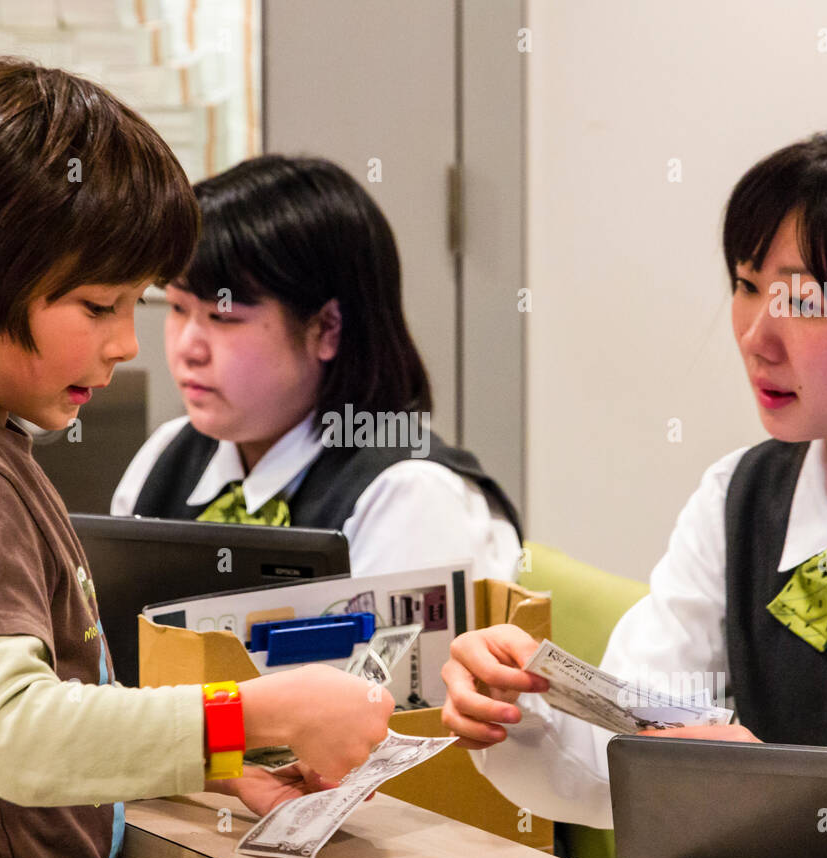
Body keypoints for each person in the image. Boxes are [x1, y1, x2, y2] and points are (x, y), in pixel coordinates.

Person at [0, 56, 393, 858]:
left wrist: (215, 762)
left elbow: (55, 704)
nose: (128, 344)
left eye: (138, 305)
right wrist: (251, 716)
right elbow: (16, 732)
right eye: (97, 306)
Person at [441, 124, 827, 830]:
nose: (756, 336)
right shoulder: (739, 498)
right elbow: (625, 742)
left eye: (805, 302)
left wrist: (762, 787)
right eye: (747, 287)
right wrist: (515, 707)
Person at [111, 155, 523, 580]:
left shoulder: (410, 496)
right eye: (178, 309)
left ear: (327, 328)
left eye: (223, 317)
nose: (188, 348)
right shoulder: (168, 453)